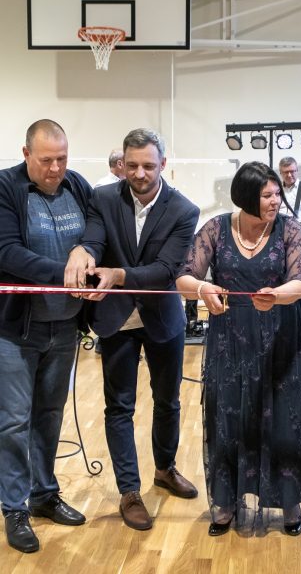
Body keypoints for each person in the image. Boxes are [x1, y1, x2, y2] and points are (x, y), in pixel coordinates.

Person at [176, 161, 301, 537]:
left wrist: (276, 295)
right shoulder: (215, 229)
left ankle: (289, 501)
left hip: (283, 338)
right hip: (231, 340)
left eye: (277, 194)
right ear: (246, 197)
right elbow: (184, 277)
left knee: (284, 421)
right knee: (230, 419)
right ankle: (227, 502)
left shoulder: (291, 230)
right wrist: (203, 289)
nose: (276, 201)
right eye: (267, 195)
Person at [64, 128, 200, 531]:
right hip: (116, 319)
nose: (139, 174)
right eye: (132, 165)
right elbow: (94, 238)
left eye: (148, 166)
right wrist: (84, 251)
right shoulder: (103, 197)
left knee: (168, 401)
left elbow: (165, 271)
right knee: (119, 407)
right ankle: (129, 490)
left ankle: (165, 468)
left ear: (163, 164)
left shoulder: (184, 210)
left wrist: (118, 274)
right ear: (122, 163)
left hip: (162, 318)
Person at [0, 119, 92, 553]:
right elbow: (7, 252)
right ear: (26, 155)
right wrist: (64, 272)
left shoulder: (77, 185)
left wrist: (86, 251)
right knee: (14, 422)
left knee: (50, 415)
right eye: (46, 160)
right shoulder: (6, 188)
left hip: (66, 325)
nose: (56, 168)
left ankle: (43, 494)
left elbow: (96, 229)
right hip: (17, 330)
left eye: (62, 159)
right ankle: (14, 507)